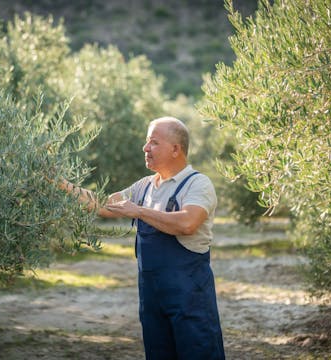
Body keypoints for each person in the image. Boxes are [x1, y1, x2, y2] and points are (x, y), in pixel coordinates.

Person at [58, 116, 225, 360]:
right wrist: (60, 184)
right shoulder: (144, 187)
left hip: (191, 300)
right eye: (147, 142)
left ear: (176, 149)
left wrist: (139, 211)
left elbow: (188, 223)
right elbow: (103, 204)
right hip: (152, 300)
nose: (145, 148)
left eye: (153, 142)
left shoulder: (198, 184)